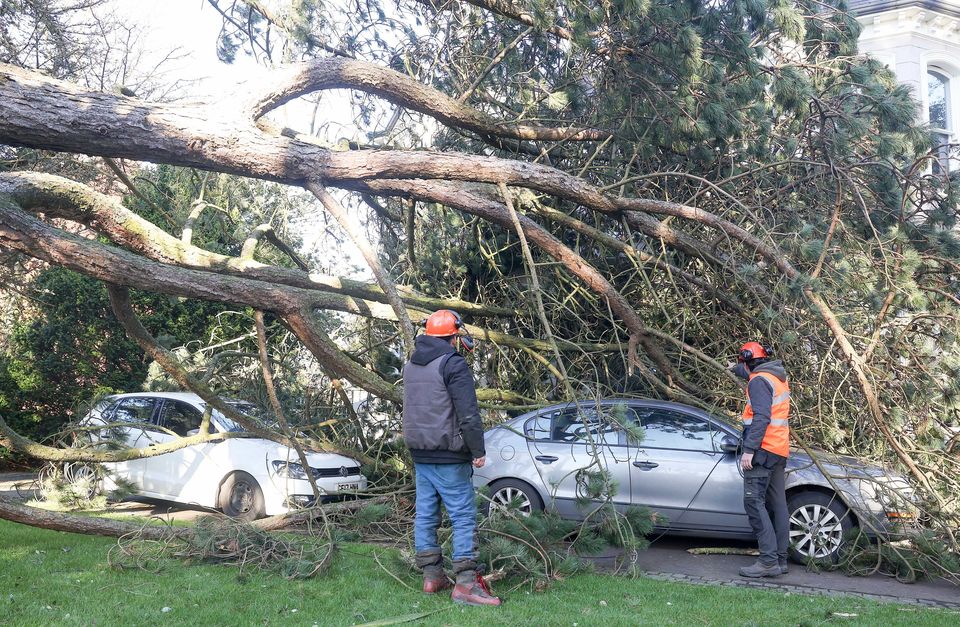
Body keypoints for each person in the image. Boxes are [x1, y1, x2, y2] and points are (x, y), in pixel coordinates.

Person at [402, 309, 501, 606]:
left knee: (426, 514)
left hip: (420, 453)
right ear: (453, 336)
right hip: (449, 454)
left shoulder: (410, 364)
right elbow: (468, 412)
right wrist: (477, 450)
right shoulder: (453, 364)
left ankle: (432, 576)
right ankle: (467, 585)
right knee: (462, 517)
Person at [731, 341, 791, 578]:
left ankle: (767, 561)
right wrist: (733, 368)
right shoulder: (776, 377)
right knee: (778, 505)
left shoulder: (758, 382)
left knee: (753, 502)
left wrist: (749, 449)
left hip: (762, 450)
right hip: (778, 449)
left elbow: (762, 416)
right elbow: (747, 372)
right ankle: (780, 559)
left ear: (746, 360)